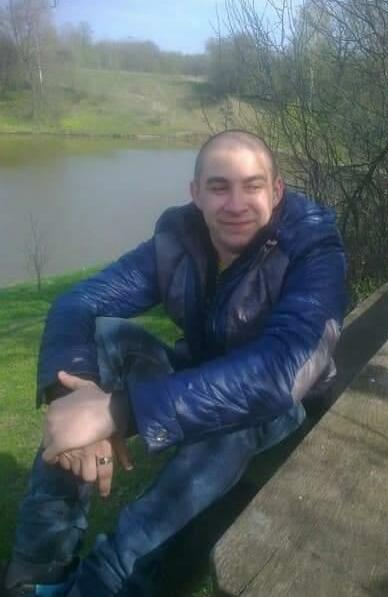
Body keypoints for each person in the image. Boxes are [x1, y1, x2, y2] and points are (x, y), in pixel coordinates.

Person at [3, 130, 347, 596]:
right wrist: (74, 397)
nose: (236, 204)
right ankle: (40, 571)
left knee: (239, 416)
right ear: (196, 193)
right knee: (103, 338)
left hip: (285, 409)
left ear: (276, 191)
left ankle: (107, 579)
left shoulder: (313, 247)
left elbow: (280, 373)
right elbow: (78, 302)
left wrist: (117, 411)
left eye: (253, 186)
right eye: (219, 187)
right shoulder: (179, 237)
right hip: (195, 377)